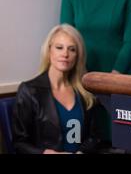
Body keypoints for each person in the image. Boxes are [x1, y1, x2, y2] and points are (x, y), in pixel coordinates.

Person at [60, 0, 131, 142]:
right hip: (81, 77)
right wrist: (82, 77)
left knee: (123, 140)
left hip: (120, 77)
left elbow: (130, 39)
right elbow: (67, 39)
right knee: (87, 139)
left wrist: (113, 78)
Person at [12, 24, 102, 154]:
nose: (65, 54)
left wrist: (80, 152)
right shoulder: (29, 91)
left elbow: (94, 137)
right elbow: (19, 143)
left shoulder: (84, 93)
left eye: (72, 49)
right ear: (49, 51)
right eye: (59, 48)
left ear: (77, 56)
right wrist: (44, 153)